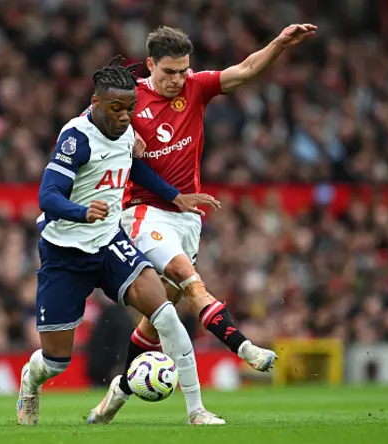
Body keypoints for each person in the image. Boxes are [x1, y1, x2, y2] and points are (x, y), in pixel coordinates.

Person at [89, 23, 317, 424]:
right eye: (169, 72)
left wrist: (279, 44)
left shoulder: (195, 87)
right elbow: (87, 122)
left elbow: (245, 70)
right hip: (143, 213)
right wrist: (121, 134)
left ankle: (120, 390)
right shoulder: (129, 100)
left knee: (160, 315)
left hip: (187, 220)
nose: (178, 80)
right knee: (187, 277)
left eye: (183, 70)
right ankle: (241, 352)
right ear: (149, 66)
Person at [17, 56, 222, 426]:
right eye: (116, 109)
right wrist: (82, 212)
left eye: (130, 108)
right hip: (65, 252)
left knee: (165, 312)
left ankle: (196, 410)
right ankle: (31, 380)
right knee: (56, 362)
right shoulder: (76, 138)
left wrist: (175, 196)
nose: (126, 116)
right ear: (94, 104)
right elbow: (48, 196)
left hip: (110, 242)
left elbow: (135, 165)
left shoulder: (125, 130)